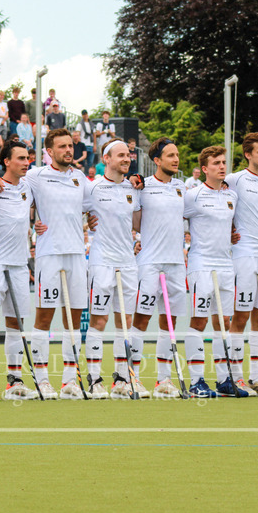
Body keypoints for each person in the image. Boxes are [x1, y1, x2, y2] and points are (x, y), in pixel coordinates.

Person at [83, 138, 146, 398]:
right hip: (101, 262)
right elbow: (74, 212)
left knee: (125, 322)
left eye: (128, 154)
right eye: (120, 155)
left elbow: (139, 223)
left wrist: (142, 242)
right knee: (99, 320)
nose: (126, 158)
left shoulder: (134, 189)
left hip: (128, 262)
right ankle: (94, 379)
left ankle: (122, 379)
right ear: (106, 159)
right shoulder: (91, 188)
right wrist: (86, 222)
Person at [129, 139, 188, 398]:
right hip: (150, 262)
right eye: (170, 155)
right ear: (157, 161)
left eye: (177, 155)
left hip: (176, 262)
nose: (176, 159)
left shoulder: (182, 187)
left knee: (170, 322)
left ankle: (163, 380)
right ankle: (133, 377)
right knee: (141, 319)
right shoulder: (143, 186)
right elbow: (132, 221)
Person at [0, 140, 40, 399]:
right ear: (6, 161)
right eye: (20, 158)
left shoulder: (29, 186)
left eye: (27, 158)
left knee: (16, 323)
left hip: (19, 264)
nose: (26, 162)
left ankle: (14, 380)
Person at [181, 145, 240, 398]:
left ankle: (224, 380)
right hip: (201, 265)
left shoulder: (231, 197)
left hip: (226, 265)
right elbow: (175, 221)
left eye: (224, 162)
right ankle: (196, 382)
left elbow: (231, 227)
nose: (222, 166)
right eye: (216, 163)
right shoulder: (192, 195)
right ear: (204, 169)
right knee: (199, 322)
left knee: (223, 323)